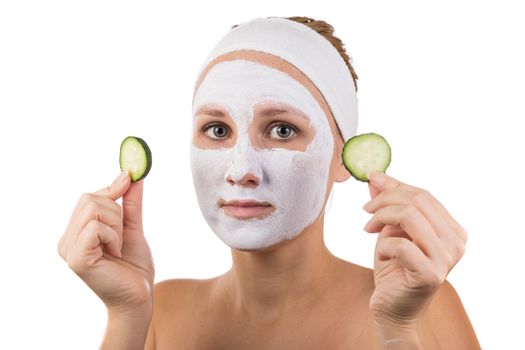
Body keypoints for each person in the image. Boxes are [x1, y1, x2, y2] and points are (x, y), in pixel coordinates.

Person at [57, 16, 481, 349]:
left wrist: (400, 333)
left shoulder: (422, 304)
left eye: (281, 129)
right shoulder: (158, 311)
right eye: (217, 130)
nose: (241, 169)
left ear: (342, 158)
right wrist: (126, 317)